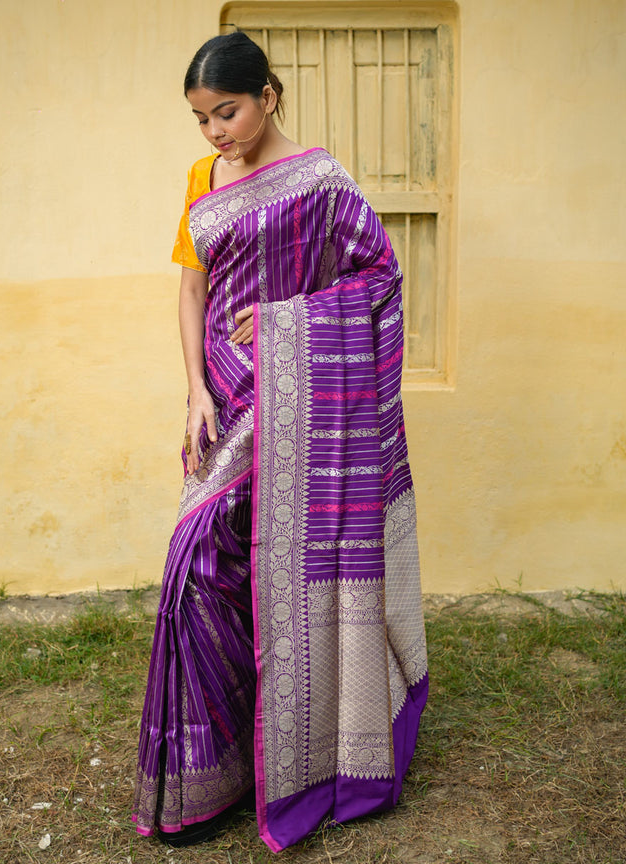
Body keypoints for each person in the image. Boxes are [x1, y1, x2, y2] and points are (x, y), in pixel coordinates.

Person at [132, 31, 428, 853]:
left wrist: (281, 322)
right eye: (200, 120)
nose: (216, 133)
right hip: (224, 396)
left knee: (276, 564)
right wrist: (193, 389)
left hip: (299, 399)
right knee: (206, 566)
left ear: (267, 93)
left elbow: (377, 279)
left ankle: (306, 752)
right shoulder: (203, 179)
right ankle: (220, 766)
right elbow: (192, 290)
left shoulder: (323, 182)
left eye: (225, 112)